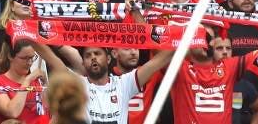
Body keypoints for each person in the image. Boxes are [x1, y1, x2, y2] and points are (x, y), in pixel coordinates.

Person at [33, 40, 174, 124]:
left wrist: (190, 35)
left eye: (97, 53)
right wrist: (29, 35)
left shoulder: (124, 84)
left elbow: (159, 61)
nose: (93, 58)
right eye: (88, 56)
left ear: (108, 59)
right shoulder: (78, 84)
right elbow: (53, 60)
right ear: (83, 62)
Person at [0, 38, 48, 124]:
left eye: (32, 57)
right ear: (10, 56)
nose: (30, 62)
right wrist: (27, 80)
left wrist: (46, 85)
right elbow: (12, 112)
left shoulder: (36, 81)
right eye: (25, 58)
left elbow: (47, 112)